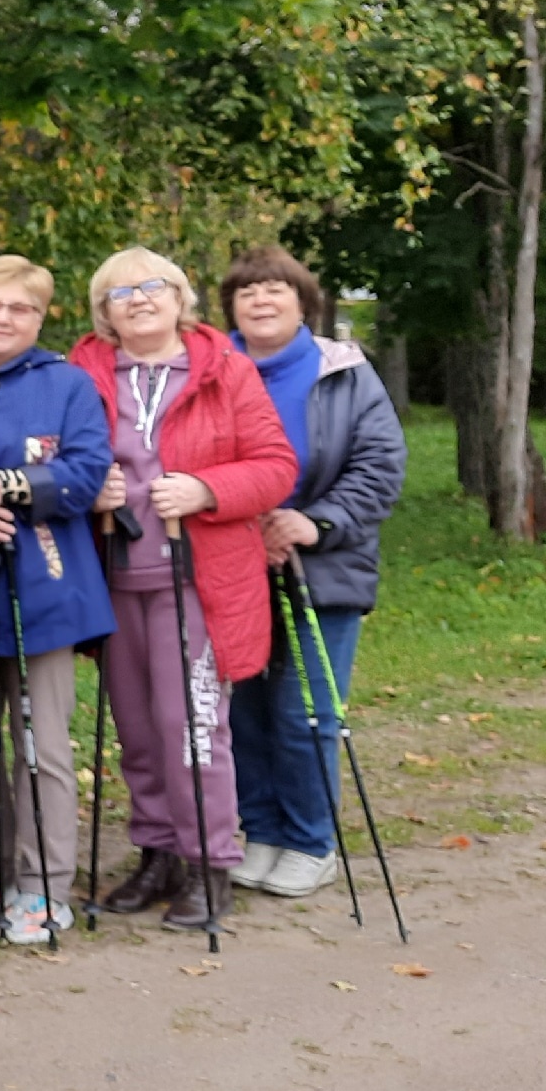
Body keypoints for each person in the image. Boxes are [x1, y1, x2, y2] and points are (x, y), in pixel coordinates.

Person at [69, 249, 296, 933]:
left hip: (198, 579)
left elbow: (276, 466)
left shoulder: (225, 370)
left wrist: (206, 488)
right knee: (137, 729)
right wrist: (88, 490)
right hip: (113, 576)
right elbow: (52, 459)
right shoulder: (79, 375)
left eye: (152, 287)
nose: (138, 300)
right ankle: (158, 852)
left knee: (192, 726)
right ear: (102, 312)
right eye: (119, 292)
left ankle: (209, 863)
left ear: (180, 299)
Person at [0, 256, 116, 945]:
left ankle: (44, 883)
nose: (1, 318)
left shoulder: (67, 384)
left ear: (40, 318)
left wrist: (4, 486)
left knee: (40, 742)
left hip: (45, 585)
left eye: (19, 308)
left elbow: (84, 470)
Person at [221, 246, 406, 899]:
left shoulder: (347, 373)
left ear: (304, 302)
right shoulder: (212, 370)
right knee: (242, 712)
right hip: (231, 565)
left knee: (303, 711)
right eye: (247, 291)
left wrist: (313, 522)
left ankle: (310, 842)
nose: (262, 300)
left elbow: (380, 465)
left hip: (319, 564)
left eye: (276, 289)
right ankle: (263, 832)